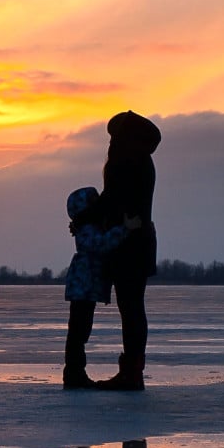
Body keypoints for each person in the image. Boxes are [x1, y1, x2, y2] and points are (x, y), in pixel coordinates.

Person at [94, 110, 161, 391]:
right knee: (132, 307)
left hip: (129, 244)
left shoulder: (127, 162)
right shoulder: (142, 161)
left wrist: (87, 215)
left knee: (130, 307)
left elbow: (113, 200)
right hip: (139, 241)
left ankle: (132, 373)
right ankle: (133, 370)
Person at [62, 186, 142, 389]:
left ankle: (75, 372)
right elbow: (101, 244)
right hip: (83, 288)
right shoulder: (88, 229)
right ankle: (74, 373)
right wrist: (125, 228)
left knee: (80, 331)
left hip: (85, 288)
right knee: (78, 332)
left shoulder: (89, 226)